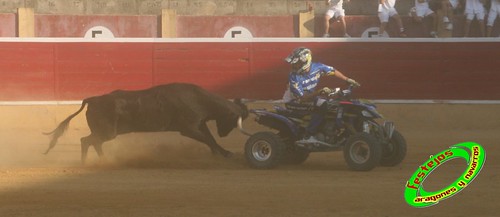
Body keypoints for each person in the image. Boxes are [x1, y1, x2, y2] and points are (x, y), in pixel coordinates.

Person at [283, 47, 360, 145]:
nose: (294, 65)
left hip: (309, 98)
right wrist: (319, 91)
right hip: (294, 101)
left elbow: (332, 71)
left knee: (333, 102)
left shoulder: (317, 67)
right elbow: (303, 98)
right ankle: (309, 135)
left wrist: (347, 79)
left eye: (297, 63)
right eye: (294, 63)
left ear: (306, 62)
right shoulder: (293, 76)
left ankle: (327, 131)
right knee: (322, 103)